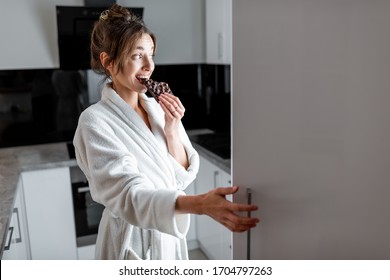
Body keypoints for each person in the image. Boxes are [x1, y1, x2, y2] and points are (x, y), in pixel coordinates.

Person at [73, 4, 259, 260]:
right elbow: (129, 195)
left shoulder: (157, 110)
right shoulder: (94, 122)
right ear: (108, 61)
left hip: (168, 240)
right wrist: (200, 205)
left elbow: (180, 179)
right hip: (132, 244)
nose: (149, 65)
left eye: (152, 54)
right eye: (138, 55)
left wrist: (172, 127)